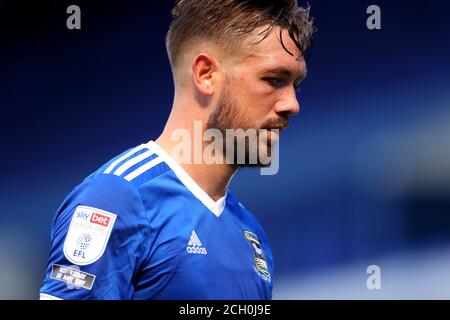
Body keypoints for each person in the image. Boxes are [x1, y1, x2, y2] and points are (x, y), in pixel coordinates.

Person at [40, 0, 313, 300]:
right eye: (274, 80)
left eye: (295, 84)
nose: (293, 105)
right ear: (206, 74)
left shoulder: (251, 236)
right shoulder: (117, 199)